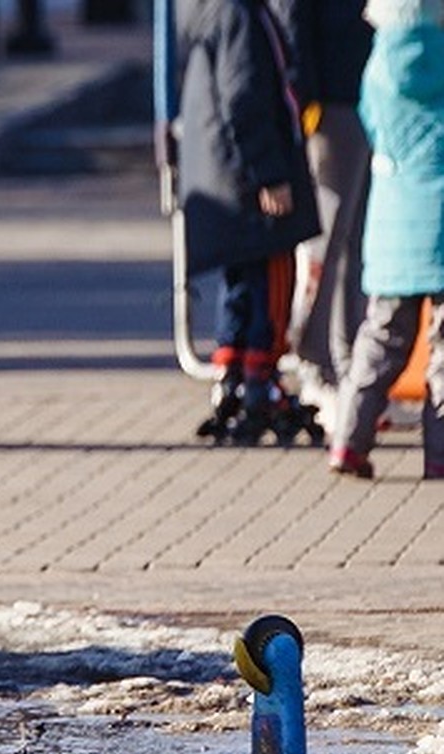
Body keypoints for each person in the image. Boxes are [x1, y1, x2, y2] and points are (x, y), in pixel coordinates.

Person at [176, 0, 321, 443]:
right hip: (249, 180)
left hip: (223, 176)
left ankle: (231, 373)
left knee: (239, 285)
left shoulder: (210, 10)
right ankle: (262, 379)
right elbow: (245, 95)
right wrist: (271, 175)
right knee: (272, 281)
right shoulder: (239, 14)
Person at [327, 0, 444, 480]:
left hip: (392, 223)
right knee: (443, 346)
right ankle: (439, 454)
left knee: (380, 336)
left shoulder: (377, 69)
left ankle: (348, 442)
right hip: (440, 223)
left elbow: (371, 124)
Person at [284, 0, 374, 437]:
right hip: (333, 101)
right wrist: (308, 104)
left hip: (370, 94)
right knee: (329, 241)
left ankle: (345, 363)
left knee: (356, 246)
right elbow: (294, 22)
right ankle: (314, 363)